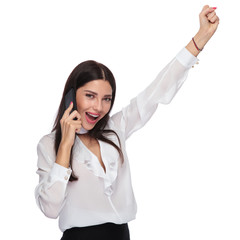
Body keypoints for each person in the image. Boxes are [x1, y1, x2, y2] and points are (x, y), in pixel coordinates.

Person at [35, 5, 219, 240]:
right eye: (89, 96)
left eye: (106, 99)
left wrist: (200, 38)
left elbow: (157, 90)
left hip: (121, 235)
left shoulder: (116, 129)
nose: (98, 107)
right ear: (72, 96)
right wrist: (65, 147)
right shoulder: (49, 145)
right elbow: (49, 209)